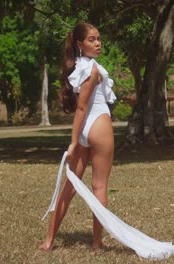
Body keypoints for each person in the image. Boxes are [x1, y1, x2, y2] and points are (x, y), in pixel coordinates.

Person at [39, 22, 116, 251]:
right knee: (99, 186)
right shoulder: (92, 70)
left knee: (69, 187)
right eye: (92, 39)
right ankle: (96, 243)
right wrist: (73, 141)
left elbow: (81, 108)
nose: (98, 43)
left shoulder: (80, 66)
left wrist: (78, 138)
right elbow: (82, 108)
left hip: (86, 129)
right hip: (98, 125)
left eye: (99, 38)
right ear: (80, 44)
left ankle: (49, 241)